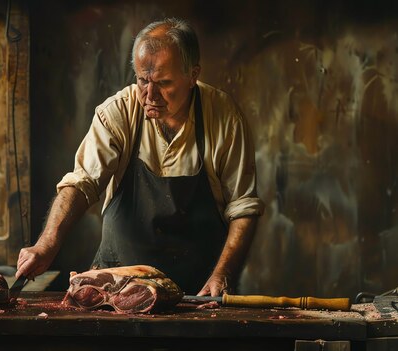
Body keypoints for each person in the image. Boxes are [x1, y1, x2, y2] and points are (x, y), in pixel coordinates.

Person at [17, 18, 264, 296]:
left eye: (163, 83)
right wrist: (46, 244)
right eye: (142, 80)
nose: (150, 94)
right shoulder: (118, 112)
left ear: (193, 75)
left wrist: (222, 275)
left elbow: (243, 207)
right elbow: (81, 182)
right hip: (117, 288)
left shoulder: (224, 117)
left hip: (199, 291)